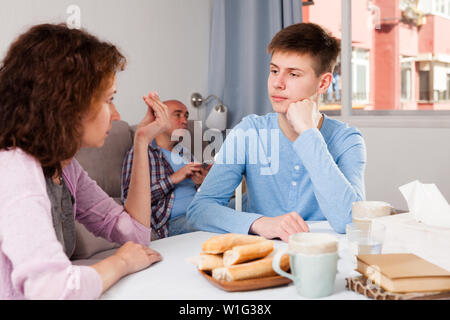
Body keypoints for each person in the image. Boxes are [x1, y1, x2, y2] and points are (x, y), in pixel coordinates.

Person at [0, 23, 171, 299]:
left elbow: (136, 234)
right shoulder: (14, 168)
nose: (115, 116)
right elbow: (52, 290)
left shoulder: (64, 167)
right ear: (68, 105)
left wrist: (141, 142)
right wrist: (121, 262)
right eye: (109, 100)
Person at [187, 22, 367, 241]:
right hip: (261, 254)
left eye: (293, 74)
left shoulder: (348, 140)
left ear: (323, 83)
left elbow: (349, 221)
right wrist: (260, 223)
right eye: (274, 71)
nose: (277, 83)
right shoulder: (249, 132)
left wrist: (309, 134)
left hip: (323, 253)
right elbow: (200, 210)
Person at [121, 100, 211, 238]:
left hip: (201, 210)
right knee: (222, 222)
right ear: (160, 119)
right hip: (174, 222)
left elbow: (198, 190)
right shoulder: (141, 153)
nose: (185, 121)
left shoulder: (184, 152)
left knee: (249, 200)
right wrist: (174, 178)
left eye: (186, 116)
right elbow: (129, 200)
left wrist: (201, 181)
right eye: (178, 115)